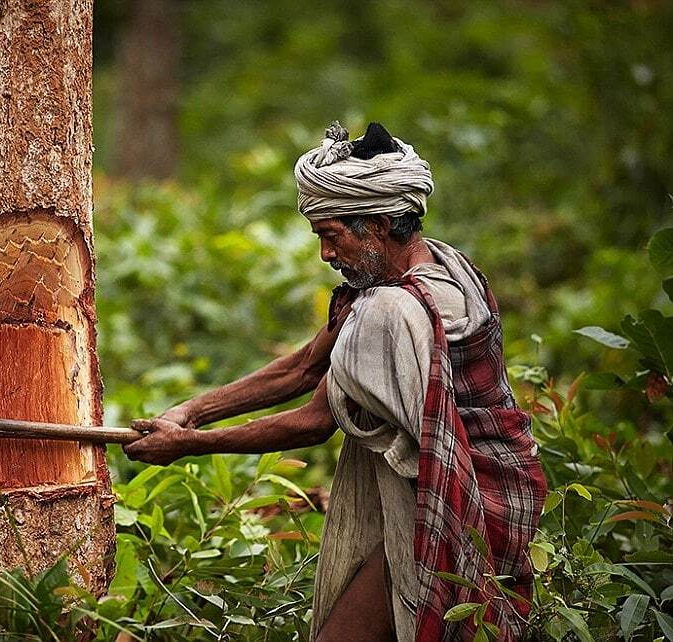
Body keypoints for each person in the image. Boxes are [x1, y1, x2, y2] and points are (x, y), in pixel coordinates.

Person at [123, 121, 547, 642]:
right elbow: (303, 366)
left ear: (381, 223)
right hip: (475, 488)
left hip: (454, 499)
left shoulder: (390, 310)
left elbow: (314, 422)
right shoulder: (446, 261)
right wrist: (191, 410)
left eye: (331, 235)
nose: (325, 254)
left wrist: (190, 445)